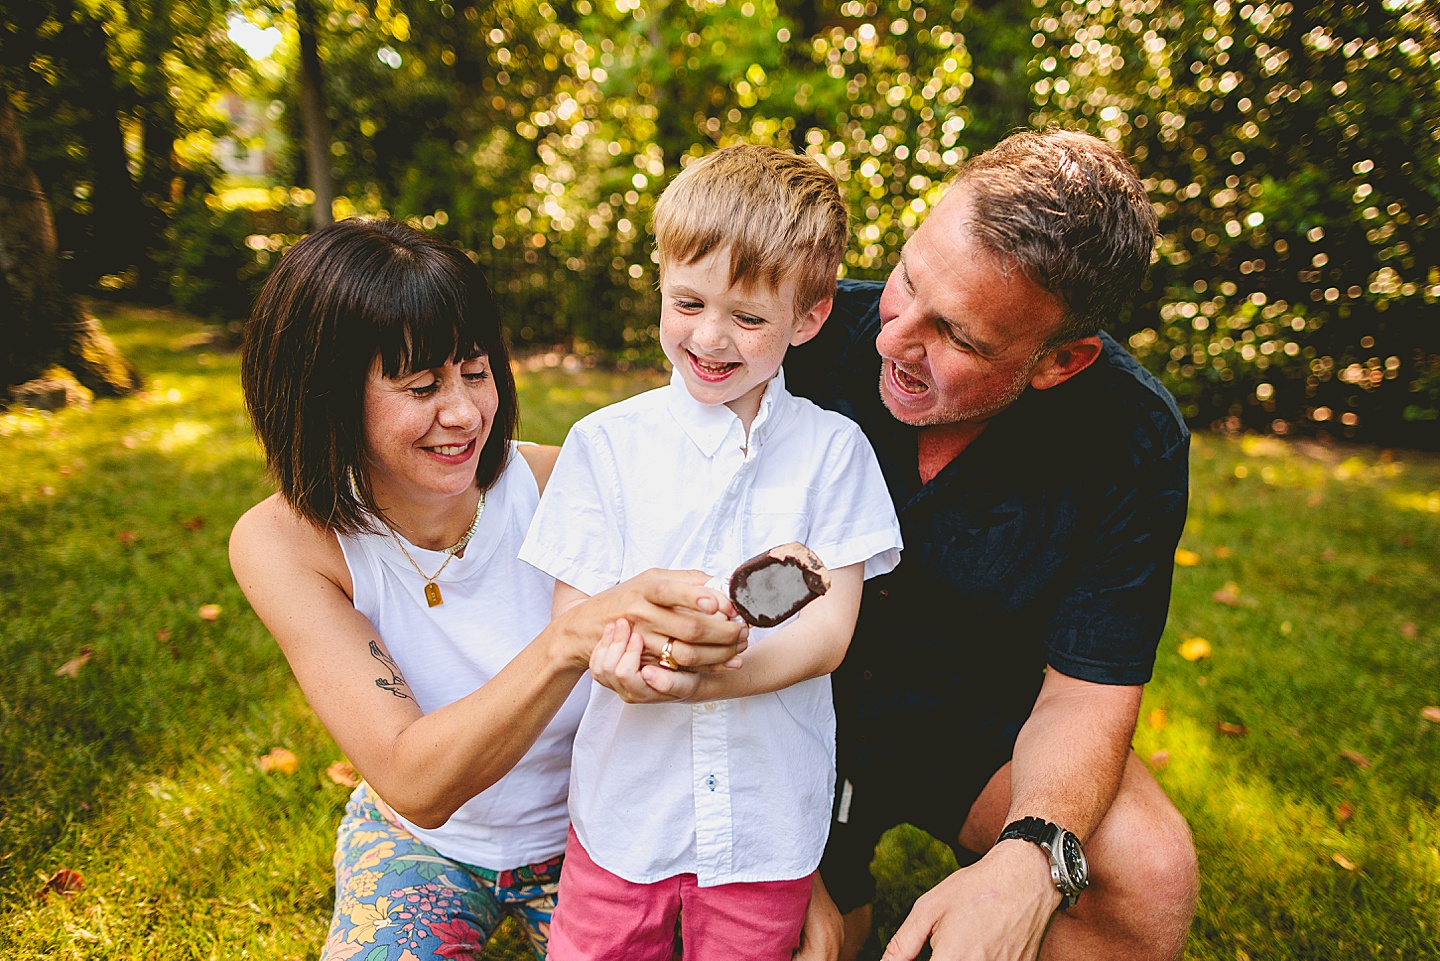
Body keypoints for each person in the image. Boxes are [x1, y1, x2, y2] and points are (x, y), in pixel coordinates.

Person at [228, 217, 748, 960]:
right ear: (327, 396)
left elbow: (724, 657)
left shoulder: (566, 482)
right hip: (421, 844)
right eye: (421, 385)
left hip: (601, 835)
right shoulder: (285, 542)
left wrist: (789, 867)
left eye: (475, 372)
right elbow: (415, 780)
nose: (465, 412)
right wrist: (567, 638)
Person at [784, 129, 1201, 961]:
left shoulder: (1134, 438)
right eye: (907, 276)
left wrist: (1032, 855)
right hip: (785, 704)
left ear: (1061, 360)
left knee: (1147, 878)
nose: (893, 337)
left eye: (959, 336)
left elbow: (1087, 692)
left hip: (971, 726)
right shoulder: (802, 337)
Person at [517, 144, 904, 961]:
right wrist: (624, 658)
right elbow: (576, 618)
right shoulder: (605, 445)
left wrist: (712, 675)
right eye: (687, 301)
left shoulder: (835, 453)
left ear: (809, 316)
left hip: (768, 824)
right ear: (660, 280)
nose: (710, 336)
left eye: (750, 317)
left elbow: (828, 632)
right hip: (626, 813)